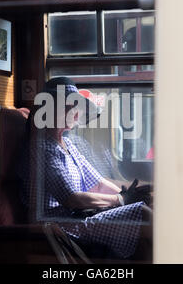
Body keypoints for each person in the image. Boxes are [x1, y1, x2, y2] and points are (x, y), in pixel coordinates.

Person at [20, 77, 152, 260]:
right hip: (58, 227)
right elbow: (72, 199)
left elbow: (98, 184)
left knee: (145, 207)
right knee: (143, 214)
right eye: (70, 106)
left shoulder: (67, 144)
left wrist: (128, 197)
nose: (76, 112)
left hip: (77, 218)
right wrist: (120, 200)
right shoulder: (42, 147)